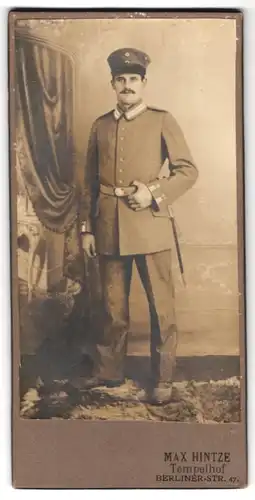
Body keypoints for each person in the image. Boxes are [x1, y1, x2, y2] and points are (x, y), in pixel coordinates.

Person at [80, 48, 198, 404]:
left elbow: (188, 171)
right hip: (108, 227)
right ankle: (109, 372)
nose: (127, 85)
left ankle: (162, 378)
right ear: (113, 84)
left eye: (133, 79)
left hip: (150, 225)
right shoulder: (100, 125)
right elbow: (89, 180)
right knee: (111, 307)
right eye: (121, 80)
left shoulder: (162, 120)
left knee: (161, 308)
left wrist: (152, 192)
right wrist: (87, 228)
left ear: (143, 83)